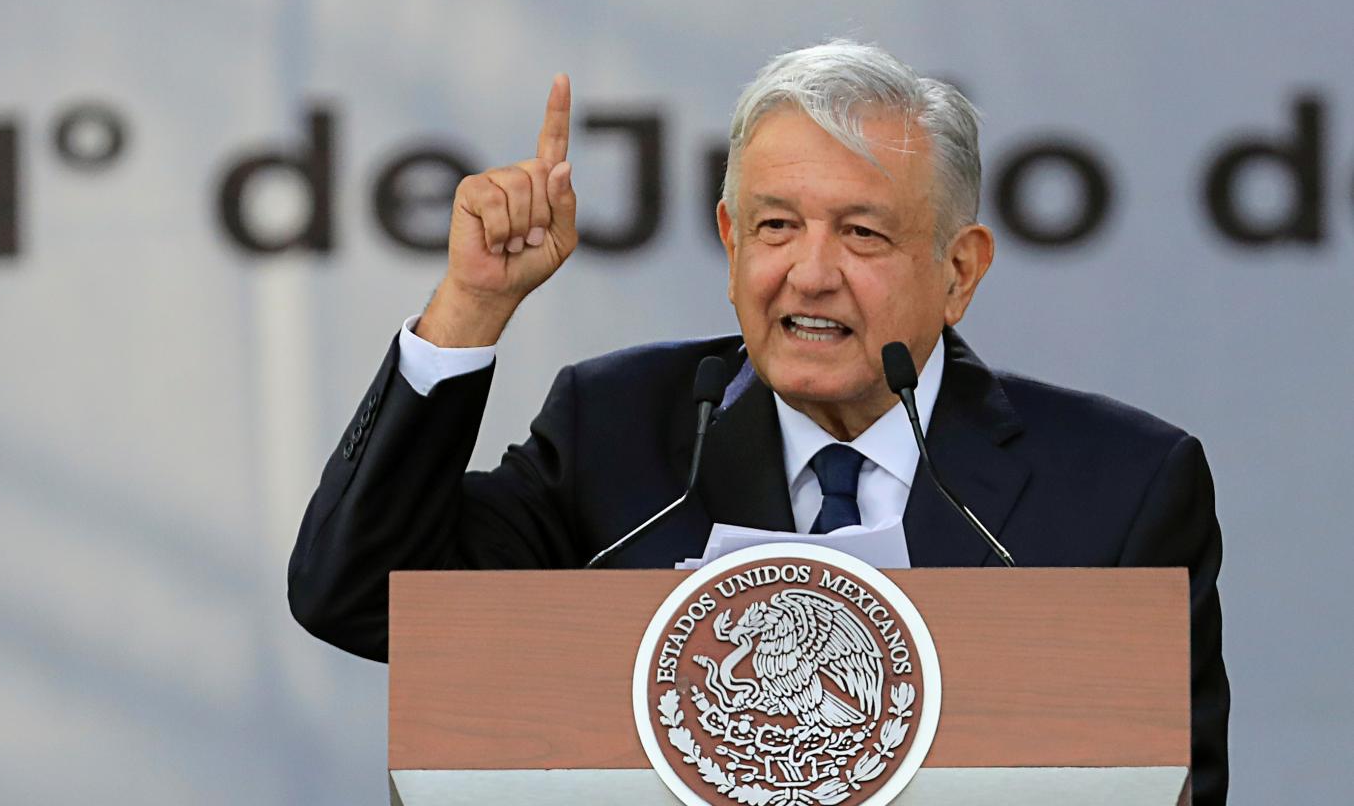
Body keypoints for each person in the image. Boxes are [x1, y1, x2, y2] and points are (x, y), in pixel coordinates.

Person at [286, 41, 1229, 803]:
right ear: (732, 244)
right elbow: (363, 596)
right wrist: (471, 308)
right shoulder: (619, 432)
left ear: (960, 271)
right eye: (776, 227)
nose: (810, 273)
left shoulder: (1121, 490)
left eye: (862, 233)